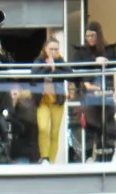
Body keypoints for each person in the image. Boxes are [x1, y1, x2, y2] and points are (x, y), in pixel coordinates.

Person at [71, 22, 116, 162]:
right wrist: (94, 62)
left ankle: (104, 159)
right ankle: (87, 158)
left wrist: (108, 62)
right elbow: (73, 69)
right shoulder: (81, 52)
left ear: (99, 35)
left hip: (105, 96)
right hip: (88, 98)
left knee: (106, 129)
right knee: (90, 129)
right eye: (87, 36)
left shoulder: (109, 50)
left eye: (92, 35)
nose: (89, 39)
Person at [33, 36, 68, 164]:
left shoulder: (60, 60)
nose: (53, 51)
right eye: (51, 49)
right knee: (43, 129)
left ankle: (52, 161)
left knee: (54, 132)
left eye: (56, 49)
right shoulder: (39, 60)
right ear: (45, 49)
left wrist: (55, 68)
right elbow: (34, 76)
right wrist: (48, 67)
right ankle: (45, 158)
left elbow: (70, 72)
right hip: (42, 101)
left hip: (57, 101)